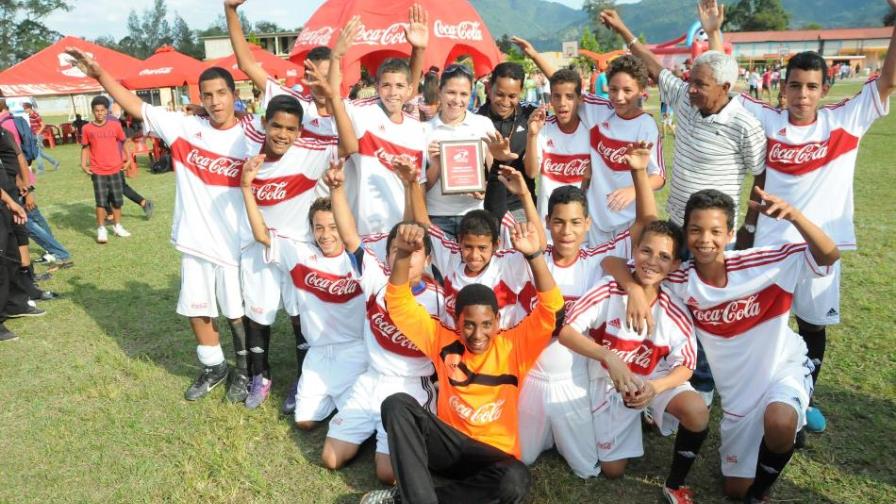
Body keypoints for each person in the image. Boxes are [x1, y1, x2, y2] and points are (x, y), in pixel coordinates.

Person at [700, 0, 896, 440]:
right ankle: (758, 394)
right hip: (770, 250)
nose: (802, 95)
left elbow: (887, 79)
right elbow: (727, 88)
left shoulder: (845, 120)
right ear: (782, 89)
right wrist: (715, 34)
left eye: (810, 87)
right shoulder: (768, 120)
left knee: (812, 327)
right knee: (765, 325)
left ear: (824, 89)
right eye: (794, 86)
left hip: (819, 249)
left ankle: (800, 398)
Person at [604, 188, 840, 502]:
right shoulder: (680, 278)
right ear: (686, 235)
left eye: (716, 231)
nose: (705, 239)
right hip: (738, 396)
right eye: (696, 230)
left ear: (730, 233)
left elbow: (828, 255)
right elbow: (612, 262)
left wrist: (794, 215)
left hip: (781, 369)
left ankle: (763, 487)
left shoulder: (765, 262)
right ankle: (768, 447)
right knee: (733, 490)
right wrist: (634, 289)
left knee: (779, 422)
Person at [65, 48, 255, 403]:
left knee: (236, 311)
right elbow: (136, 105)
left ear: (235, 95)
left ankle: (245, 372)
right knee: (196, 308)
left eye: (221, 93)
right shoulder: (184, 127)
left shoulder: (252, 135)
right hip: (195, 239)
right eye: (208, 95)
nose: (214, 102)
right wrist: (99, 75)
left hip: (237, 242)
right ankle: (215, 367)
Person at [358, 220, 562, 504]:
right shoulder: (442, 339)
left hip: (492, 457)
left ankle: (406, 500)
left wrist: (534, 255)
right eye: (468, 325)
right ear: (456, 321)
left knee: (516, 480)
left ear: (498, 321)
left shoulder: (515, 345)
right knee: (396, 405)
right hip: (448, 447)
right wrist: (403, 255)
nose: (478, 335)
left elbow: (552, 310)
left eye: (486, 324)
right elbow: (399, 303)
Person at [556, 142, 708, 503]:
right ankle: (636, 420)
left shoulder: (672, 304)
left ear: (674, 266)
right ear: (632, 252)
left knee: (696, 411)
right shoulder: (612, 285)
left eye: (663, 257)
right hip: (610, 382)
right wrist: (609, 357)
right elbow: (565, 330)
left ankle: (675, 480)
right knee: (612, 471)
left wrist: (655, 389)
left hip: (652, 381)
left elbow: (686, 366)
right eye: (645, 252)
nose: (652, 261)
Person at [515, 143, 657, 479]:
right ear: (548, 222)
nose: (567, 232)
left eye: (576, 223)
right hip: (531, 377)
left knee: (586, 468)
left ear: (588, 223)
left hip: (574, 380)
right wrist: (522, 195)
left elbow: (646, 223)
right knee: (520, 459)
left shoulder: (598, 259)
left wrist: (638, 172)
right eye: (559, 223)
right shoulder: (530, 257)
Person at [319, 154, 441, 485]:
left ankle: (395, 438)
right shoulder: (376, 279)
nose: (406, 257)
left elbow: (415, 227)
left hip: (410, 389)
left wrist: (410, 185)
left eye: (416, 252)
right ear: (388, 256)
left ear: (428, 258)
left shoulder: (439, 299)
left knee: (388, 474)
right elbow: (349, 237)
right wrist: (338, 190)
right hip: (372, 380)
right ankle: (377, 432)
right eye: (398, 251)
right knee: (331, 458)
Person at [324, 6, 430, 236]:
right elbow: (333, 97)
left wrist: (419, 49)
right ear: (377, 87)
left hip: (401, 234)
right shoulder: (363, 113)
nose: (393, 92)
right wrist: (336, 56)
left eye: (400, 86)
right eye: (386, 85)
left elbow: (418, 186)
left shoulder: (417, 129)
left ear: (410, 89)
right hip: (363, 233)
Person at [417, 165, 546, 329]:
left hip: (500, 350)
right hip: (459, 350)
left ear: (496, 245)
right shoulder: (450, 256)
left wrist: (525, 195)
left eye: (482, 248)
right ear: (459, 242)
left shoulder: (506, 264)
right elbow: (423, 222)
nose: (474, 255)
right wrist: (415, 182)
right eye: (468, 247)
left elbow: (539, 247)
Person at [423, 64, 497, 239]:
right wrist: (436, 164)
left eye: (463, 94)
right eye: (451, 92)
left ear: (471, 94)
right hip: (437, 217)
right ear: (439, 92)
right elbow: (420, 188)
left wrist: (484, 189)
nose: (457, 100)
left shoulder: (483, 124)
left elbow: (495, 173)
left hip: (474, 214)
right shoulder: (424, 130)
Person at [477, 53, 539, 222]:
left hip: (521, 206)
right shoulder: (475, 119)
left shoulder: (530, 115)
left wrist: (533, 55)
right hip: (486, 206)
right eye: (500, 94)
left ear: (521, 93)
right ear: (489, 88)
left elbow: (563, 87)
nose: (505, 102)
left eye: (512, 96)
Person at [523, 69, 591, 218]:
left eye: (569, 97)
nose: (562, 103)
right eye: (557, 96)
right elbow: (531, 172)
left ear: (580, 99)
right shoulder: (544, 128)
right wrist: (532, 135)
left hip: (579, 220)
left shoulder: (590, 130)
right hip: (548, 219)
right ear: (550, 100)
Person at [80, 96, 131, 244]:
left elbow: (124, 141)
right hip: (98, 170)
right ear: (93, 111)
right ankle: (101, 229)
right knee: (101, 202)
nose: (100, 113)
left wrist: (128, 159)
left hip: (116, 168)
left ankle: (117, 226)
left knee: (117, 200)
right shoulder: (87, 128)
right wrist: (84, 164)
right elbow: (85, 147)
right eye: (97, 111)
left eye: (102, 110)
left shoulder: (115, 126)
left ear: (107, 111)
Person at [21, 103, 60, 172]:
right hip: (33, 136)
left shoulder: (35, 115)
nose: (24, 110)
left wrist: (37, 134)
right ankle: (55, 162)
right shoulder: (29, 116)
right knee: (41, 153)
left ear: (29, 108)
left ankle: (41, 169)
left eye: (25, 109)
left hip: (37, 136)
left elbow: (43, 125)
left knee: (37, 153)